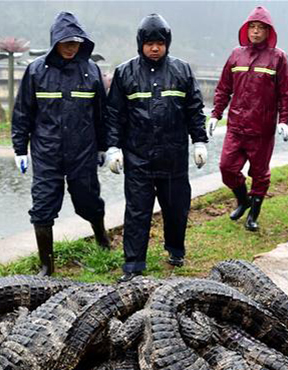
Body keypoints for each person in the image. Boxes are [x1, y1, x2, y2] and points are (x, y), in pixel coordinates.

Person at [105, 13, 208, 281]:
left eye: (159, 43)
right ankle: (134, 264)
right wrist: (113, 147)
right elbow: (114, 114)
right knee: (137, 211)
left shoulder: (182, 70)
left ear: (167, 43)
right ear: (140, 43)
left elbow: (195, 109)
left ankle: (175, 249)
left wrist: (199, 141)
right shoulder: (124, 72)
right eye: (149, 43)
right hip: (138, 158)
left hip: (173, 157)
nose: (154, 48)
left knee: (176, 208)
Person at [11, 11, 110, 276]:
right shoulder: (36, 71)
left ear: (83, 43)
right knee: (43, 206)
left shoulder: (91, 71)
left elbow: (101, 113)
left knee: (89, 201)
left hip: (83, 152)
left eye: (76, 42)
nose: (71, 47)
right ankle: (47, 264)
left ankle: (102, 239)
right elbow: (22, 112)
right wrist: (20, 149)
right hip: (47, 153)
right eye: (66, 42)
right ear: (55, 41)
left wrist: (104, 146)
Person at [208, 6, 288, 232]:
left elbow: (286, 93)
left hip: (262, 129)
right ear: (246, 29)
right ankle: (243, 200)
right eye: (252, 27)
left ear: (268, 31)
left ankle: (253, 215)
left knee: (260, 174)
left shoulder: (278, 58)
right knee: (227, 167)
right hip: (236, 126)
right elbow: (223, 88)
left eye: (261, 28)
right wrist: (216, 114)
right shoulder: (236, 55)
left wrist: (283, 120)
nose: (255, 32)